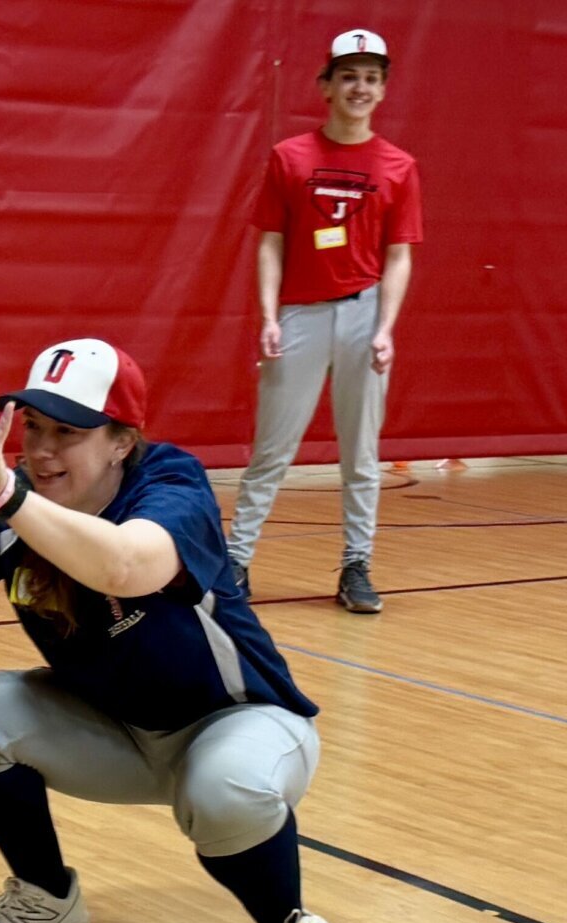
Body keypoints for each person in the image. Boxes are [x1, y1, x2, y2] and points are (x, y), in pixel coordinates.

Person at [0, 338, 373, 923]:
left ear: (121, 442)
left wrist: (5, 496)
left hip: (240, 725)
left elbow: (126, 566)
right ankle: (46, 897)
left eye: (68, 431)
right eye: (33, 427)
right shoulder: (14, 506)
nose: (42, 447)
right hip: (119, 735)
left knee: (226, 789)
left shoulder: (171, 482)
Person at [225, 28, 423, 613]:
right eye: (348, 76)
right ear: (326, 86)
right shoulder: (290, 157)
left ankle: (356, 565)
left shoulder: (399, 166)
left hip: (364, 316)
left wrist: (385, 328)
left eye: (371, 77)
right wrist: (269, 316)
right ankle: (236, 562)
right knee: (271, 451)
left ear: (382, 90)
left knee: (361, 455)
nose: (359, 87)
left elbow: (399, 255)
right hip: (300, 317)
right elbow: (270, 243)